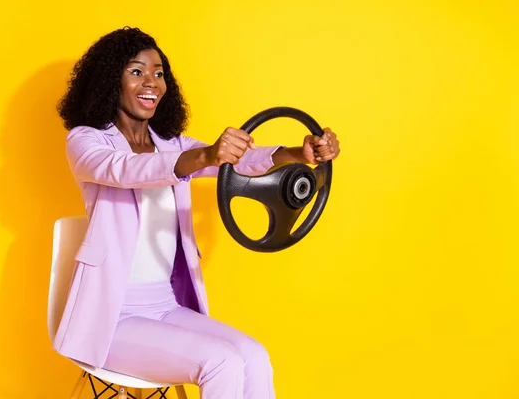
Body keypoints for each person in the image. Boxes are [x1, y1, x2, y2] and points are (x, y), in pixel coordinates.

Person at [54, 26, 340, 399]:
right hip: (111, 319)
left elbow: (237, 162)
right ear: (111, 80)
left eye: (159, 73)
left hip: (166, 308)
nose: (151, 82)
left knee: (254, 357)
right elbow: (123, 170)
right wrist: (205, 155)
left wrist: (293, 154)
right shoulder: (86, 140)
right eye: (137, 71)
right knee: (219, 362)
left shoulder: (170, 145)